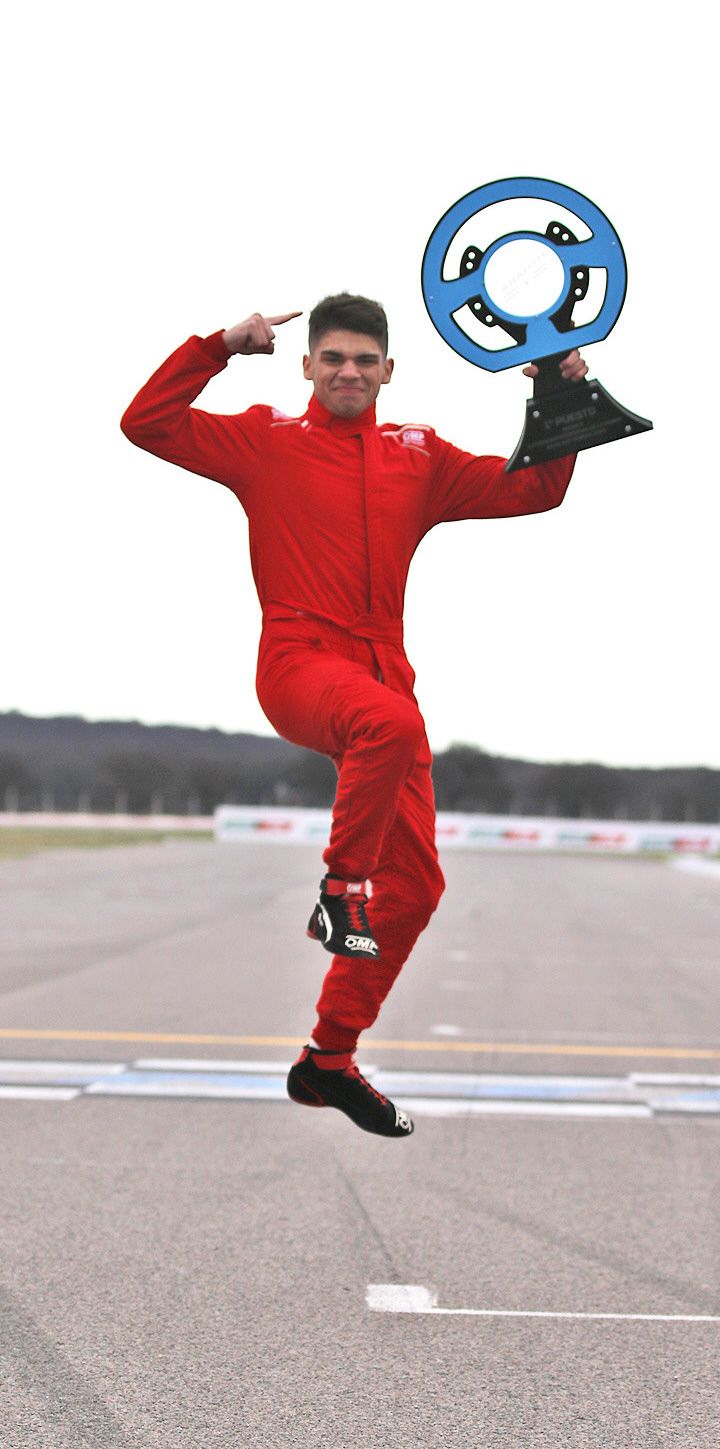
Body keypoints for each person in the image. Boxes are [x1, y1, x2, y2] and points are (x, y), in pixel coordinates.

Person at [121, 293, 587, 1139]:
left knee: (417, 885)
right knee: (389, 728)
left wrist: (557, 390)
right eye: (333, 358)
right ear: (306, 365)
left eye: (365, 360)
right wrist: (219, 346)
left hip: (384, 674)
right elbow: (145, 422)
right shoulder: (266, 440)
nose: (348, 372)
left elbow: (536, 490)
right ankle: (338, 892)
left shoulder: (420, 455)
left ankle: (327, 1059)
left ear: (388, 370)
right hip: (299, 661)